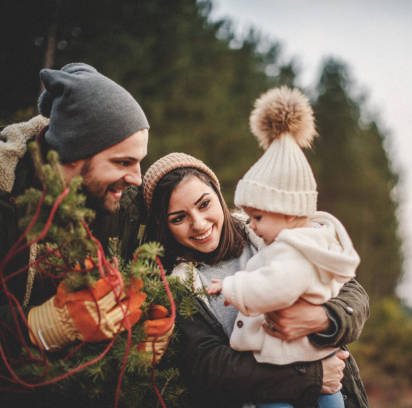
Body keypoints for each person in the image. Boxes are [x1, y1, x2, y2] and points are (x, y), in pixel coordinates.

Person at [142, 150, 370, 407]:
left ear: (218, 195)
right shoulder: (176, 287)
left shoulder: (270, 232)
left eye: (204, 204)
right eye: (179, 218)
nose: (198, 223)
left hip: (335, 393)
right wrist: (312, 377)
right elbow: (210, 367)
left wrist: (322, 319)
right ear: (165, 225)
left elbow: (354, 295)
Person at [0, 63, 170, 397]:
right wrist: (39, 327)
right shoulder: (7, 202)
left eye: (140, 161)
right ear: (73, 154)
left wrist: (144, 328)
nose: (137, 177)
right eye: (123, 162)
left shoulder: (122, 205)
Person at [203, 86, 360, 408]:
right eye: (249, 216)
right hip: (315, 359)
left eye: (258, 216)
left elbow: (274, 287)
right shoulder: (317, 242)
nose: (253, 225)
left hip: (290, 362)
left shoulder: (293, 250)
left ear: (288, 212)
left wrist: (233, 288)